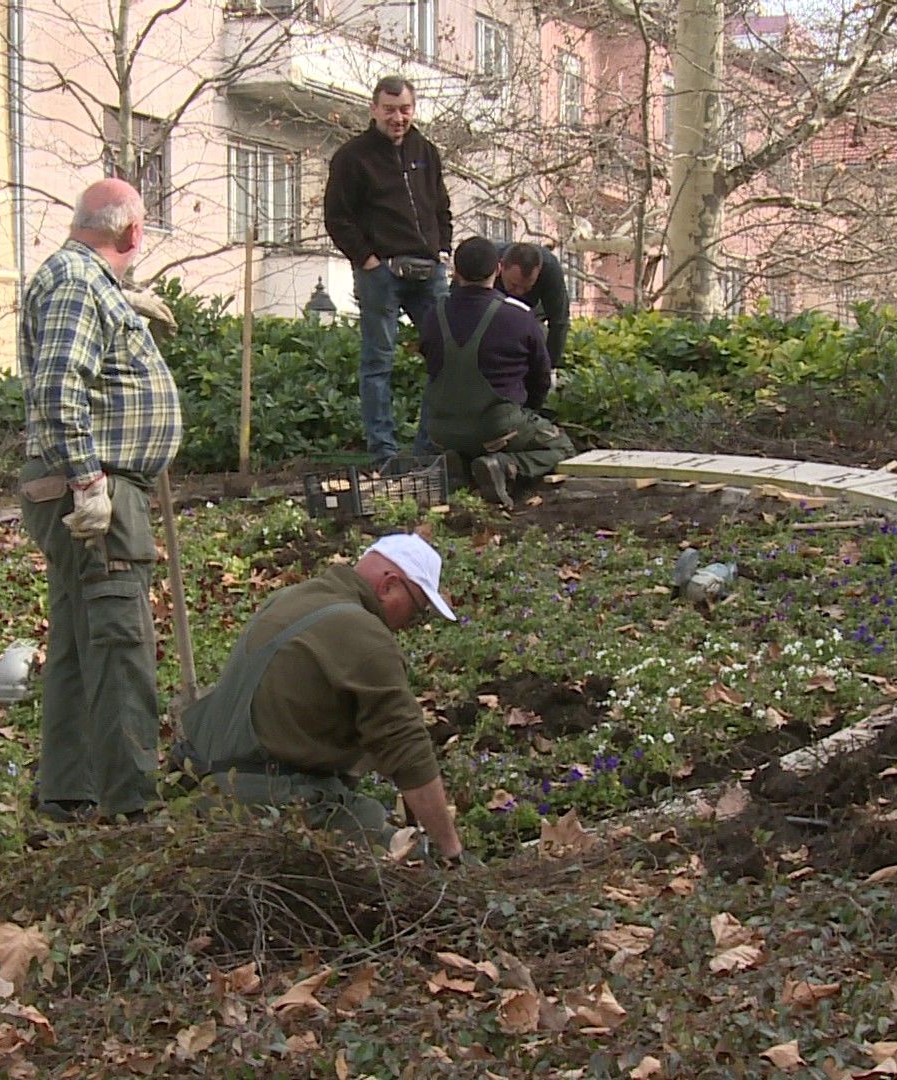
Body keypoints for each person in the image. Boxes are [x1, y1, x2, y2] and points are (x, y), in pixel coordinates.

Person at [17, 178, 184, 824]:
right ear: (132, 234)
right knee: (119, 646)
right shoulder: (79, 284)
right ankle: (132, 809)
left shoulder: (83, 282)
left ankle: (68, 792)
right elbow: (59, 387)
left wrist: (123, 305)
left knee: (79, 644)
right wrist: (89, 484)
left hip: (84, 483)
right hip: (97, 490)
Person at [177, 533, 468, 866]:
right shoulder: (366, 635)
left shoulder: (290, 598)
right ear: (389, 585)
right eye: (416, 610)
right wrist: (450, 852)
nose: (410, 624)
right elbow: (408, 752)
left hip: (211, 794)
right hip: (276, 805)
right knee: (414, 862)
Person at [324, 75, 453, 470]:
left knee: (448, 353)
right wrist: (368, 261)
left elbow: (441, 206)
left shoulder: (426, 151)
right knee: (378, 362)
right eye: (390, 110)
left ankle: (428, 449)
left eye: (405, 110)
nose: (398, 118)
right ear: (374, 110)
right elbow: (337, 217)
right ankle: (384, 454)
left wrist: (443, 249)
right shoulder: (353, 157)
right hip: (381, 272)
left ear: (413, 109)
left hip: (428, 272)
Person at [419, 236, 575, 510]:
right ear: (498, 270)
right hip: (497, 426)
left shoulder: (434, 314)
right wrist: (526, 412)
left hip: (440, 429)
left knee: (470, 433)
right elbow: (540, 381)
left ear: (456, 272)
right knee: (561, 447)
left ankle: (461, 463)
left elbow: (431, 365)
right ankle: (504, 466)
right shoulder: (519, 317)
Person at [497, 242, 572, 370]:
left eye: (527, 287)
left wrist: (550, 366)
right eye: (514, 285)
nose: (519, 292)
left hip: (532, 314)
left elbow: (559, 320)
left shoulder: (550, 269)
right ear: (501, 267)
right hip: (493, 311)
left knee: (539, 334)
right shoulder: (488, 260)